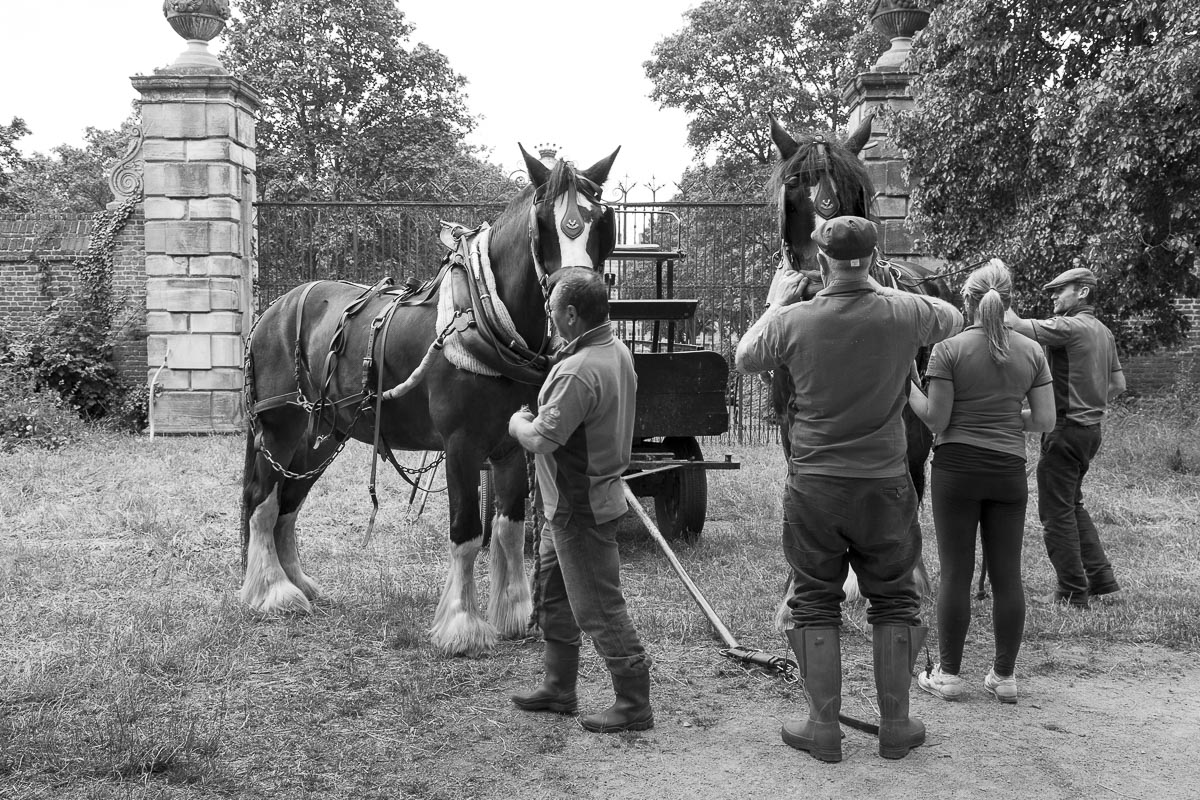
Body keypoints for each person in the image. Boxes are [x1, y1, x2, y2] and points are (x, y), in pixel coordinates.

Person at [735, 216, 963, 762]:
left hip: (814, 484)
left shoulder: (793, 319)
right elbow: (955, 317)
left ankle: (823, 727)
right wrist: (883, 287)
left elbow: (744, 357)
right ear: (875, 257)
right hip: (885, 483)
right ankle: (898, 726)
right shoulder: (905, 311)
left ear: (820, 262)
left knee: (815, 599)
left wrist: (775, 304)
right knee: (894, 597)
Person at [506, 266, 653, 733]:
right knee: (553, 597)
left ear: (570, 315)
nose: (549, 320)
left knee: (598, 608)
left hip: (579, 508)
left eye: (552, 312)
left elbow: (541, 440)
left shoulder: (577, 371)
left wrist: (516, 422)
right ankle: (559, 688)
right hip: (569, 505)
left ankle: (633, 703)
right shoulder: (615, 352)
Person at [905, 260, 1055, 705]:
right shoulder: (1031, 351)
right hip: (1008, 470)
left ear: (965, 302)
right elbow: (1045, 419)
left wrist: (907, 385)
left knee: (956, 571)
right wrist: (1008, 415)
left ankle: (949, 675)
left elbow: (937, 419)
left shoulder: (948, 350)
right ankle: (1004, 676)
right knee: (1008, 574)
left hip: (957, 470)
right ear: (1009, 303)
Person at [1005, 266, 1126, 609]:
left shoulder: (1068, 328)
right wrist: (1089, 404)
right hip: (1091, 431)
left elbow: (1012, 324)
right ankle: (1103, 582)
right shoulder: (1103, 331)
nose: (1054, 297)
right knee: (1073, 507)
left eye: (1061, 290)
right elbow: (1118, 385)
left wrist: (996, 290)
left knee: (1056, 514)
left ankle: (1072, 591)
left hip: (1066, 431)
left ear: (1083, 292)